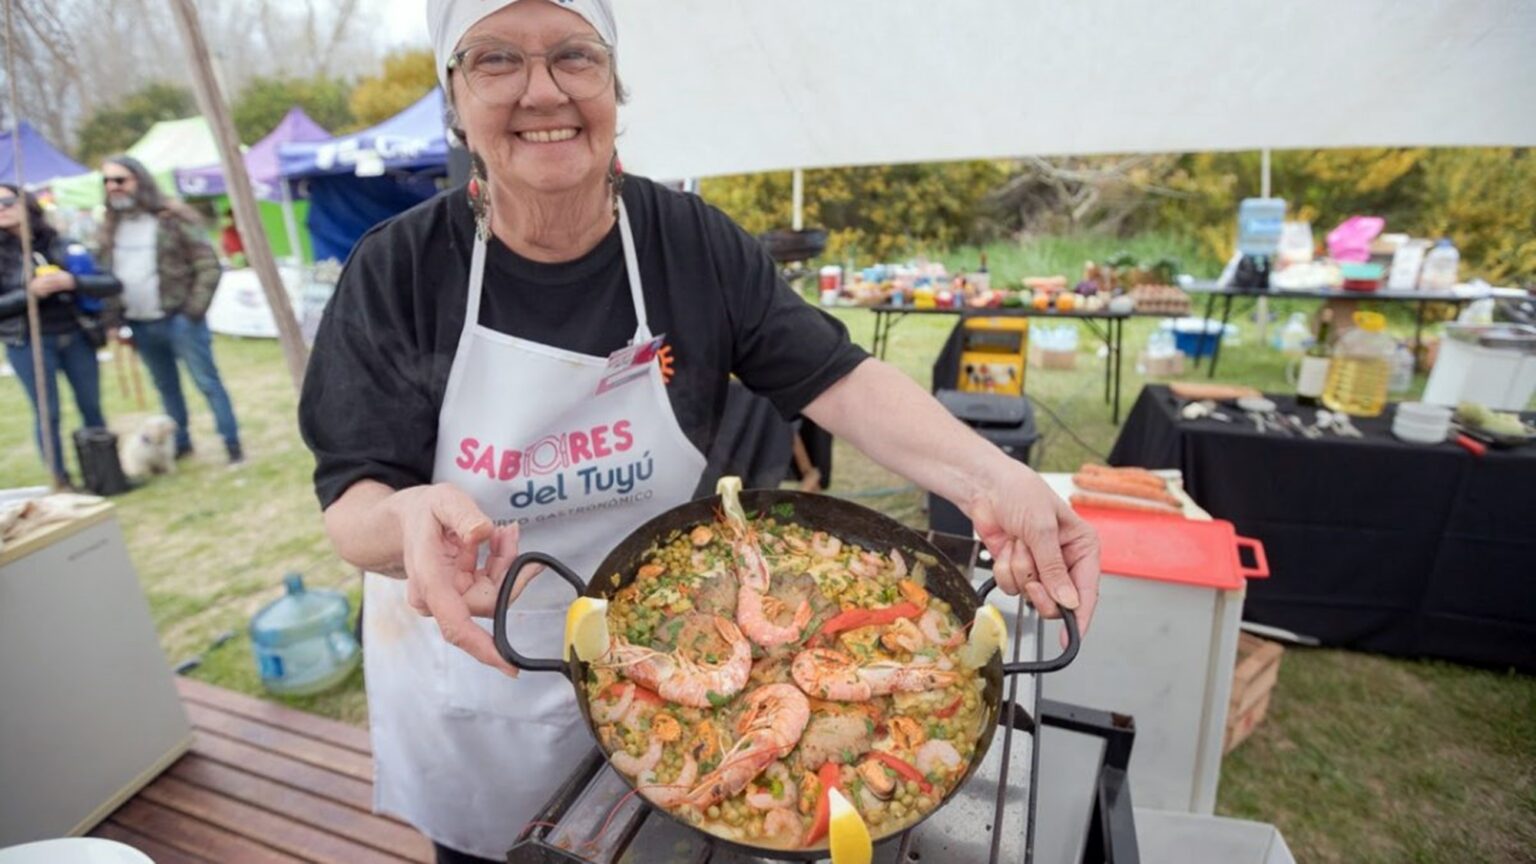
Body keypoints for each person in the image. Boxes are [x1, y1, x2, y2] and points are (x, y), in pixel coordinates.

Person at [298, 2, 1101, 860]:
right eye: (496, 60)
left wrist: (994, 480)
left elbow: (838, 379)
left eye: (575, 55)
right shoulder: (398, 269)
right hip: (482, 683)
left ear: (614, 85)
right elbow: (353, 500)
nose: (544, 91)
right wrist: (403, 518)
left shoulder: (691, 242)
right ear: (455, 99)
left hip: (687, 650)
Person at [96, 155, 243, 464]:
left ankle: (232, 444)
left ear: (139, 180)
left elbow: (208, 265)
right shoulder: (110, 227)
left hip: (180, 319)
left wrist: (193, 311)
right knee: (166, 388)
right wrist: (113, 320)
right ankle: (180, 444)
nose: (112, 187)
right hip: (140, 322)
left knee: (207, 383)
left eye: (120, 180)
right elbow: (107, 277)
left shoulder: (171, 218)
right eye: (107, 181)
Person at [0, 184, 122, 487]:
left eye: (7, 201)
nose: (1, 208)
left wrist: (73, 281)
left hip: (75, 335)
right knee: (47, 412)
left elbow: (110, 283)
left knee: (91, 406)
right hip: (28, 341)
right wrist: (29, 293)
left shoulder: (61, 243)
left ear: (27, 204)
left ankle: (105, 476)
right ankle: (60, 481)